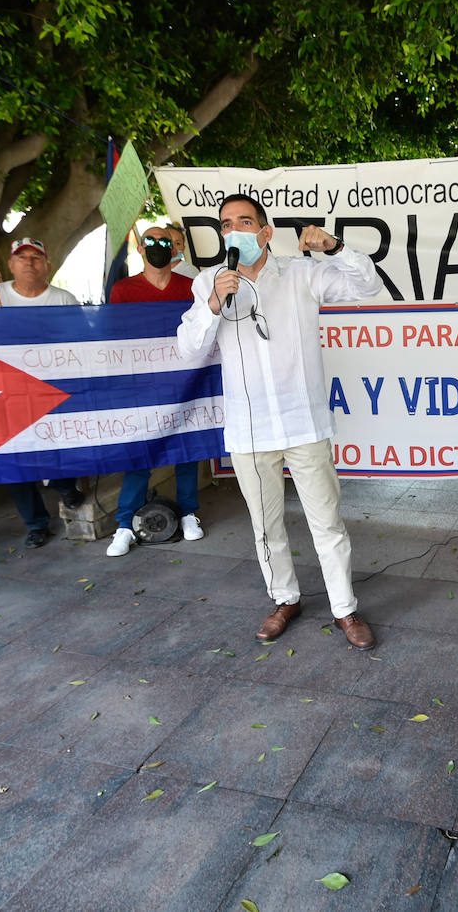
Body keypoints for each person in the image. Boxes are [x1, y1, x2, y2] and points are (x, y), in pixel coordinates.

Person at [176, 194, 381, 650]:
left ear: (266, 232)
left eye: (244, 222)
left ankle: (344, 608)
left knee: (327, 523)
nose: (234, 231)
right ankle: (285, 599)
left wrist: (335, 248)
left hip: (304, 423)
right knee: (266, 527)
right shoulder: (209, 281)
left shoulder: (301, 273)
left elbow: (369, 286)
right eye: (226, 224)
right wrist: (213, 303)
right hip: (250, 430)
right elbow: (188, 350)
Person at [0, 238, 83, 547]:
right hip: (5, 390)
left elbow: (79, 341)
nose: (29, 262)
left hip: (52, 387)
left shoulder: (63, 299)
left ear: (48, 265)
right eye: (22, 257)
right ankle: (36, 523)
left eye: (36, 257)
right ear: (11, 264)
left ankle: (64, 484)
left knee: (57, 442)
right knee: (16, 457)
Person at [105, 226, 203, 556]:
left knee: (187, 449)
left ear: (174, 249)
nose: (158, 246)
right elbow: (116, 337)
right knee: (140, 453)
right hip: (142, 386)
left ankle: (189, 512)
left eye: (164, 241)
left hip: (183, 381)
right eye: (151, 241)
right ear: (140, 248)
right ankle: (124, 523)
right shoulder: (123, 289)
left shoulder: (189, 287)